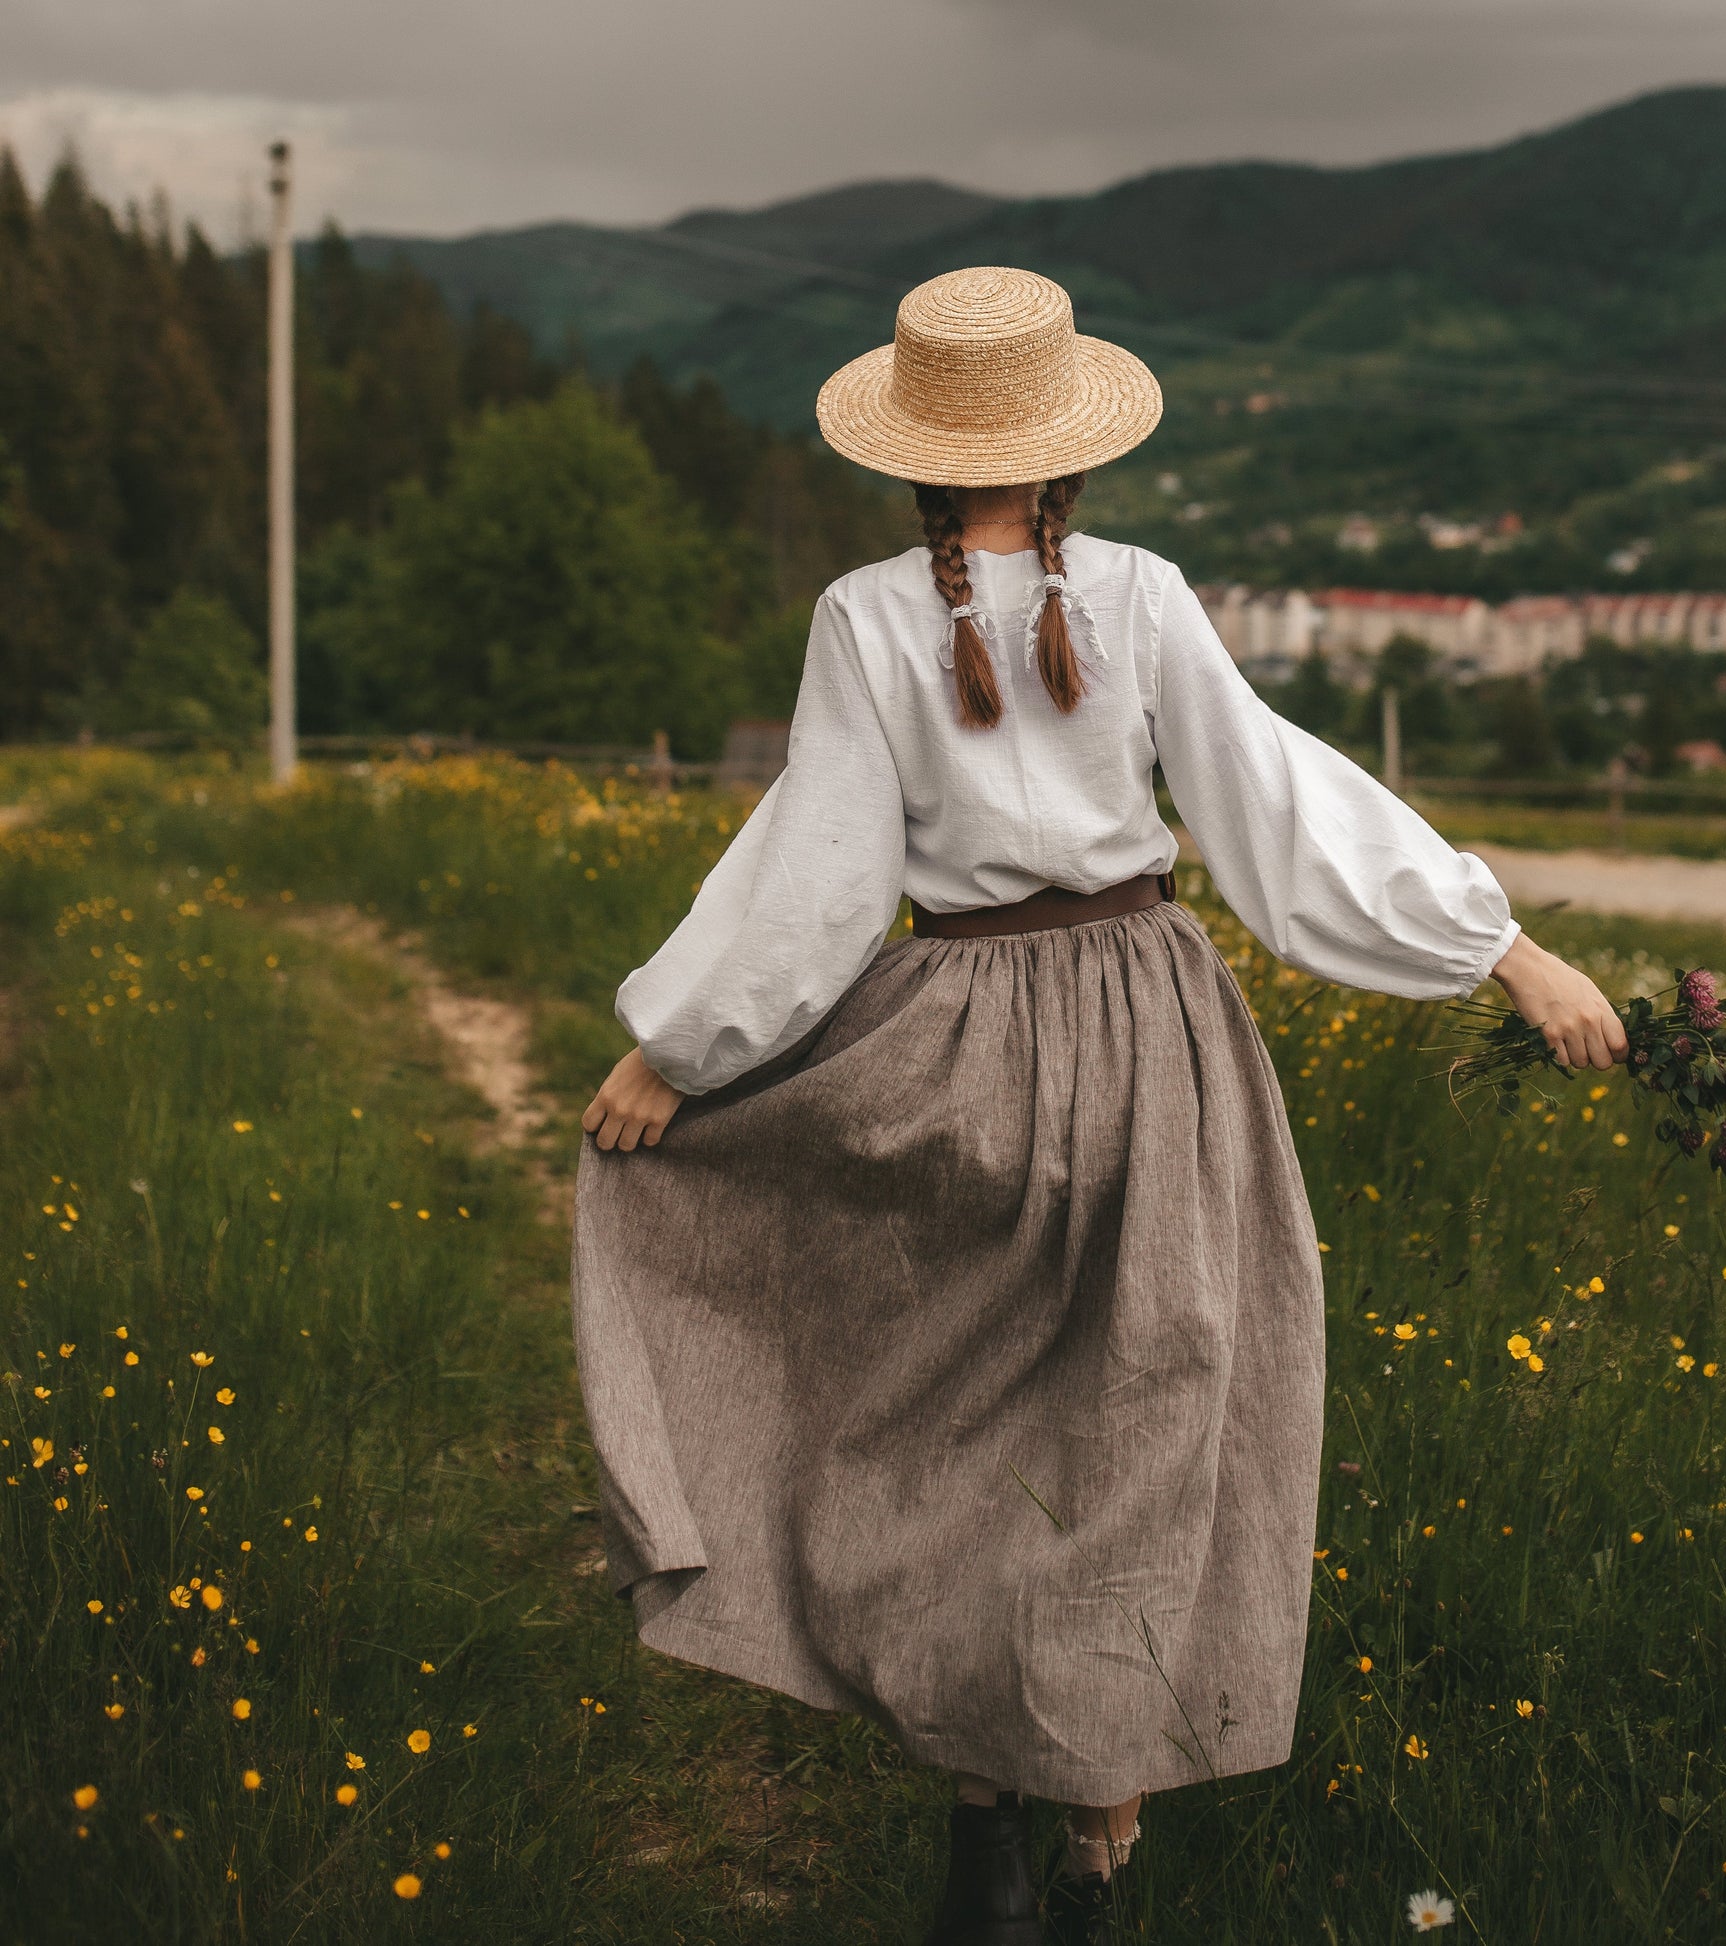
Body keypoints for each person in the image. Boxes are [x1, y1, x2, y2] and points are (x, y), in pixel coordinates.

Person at [574, 266, 1625, 1945]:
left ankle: (983, 1834)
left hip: (960, 1041)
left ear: (913, 449)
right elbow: (1274, 804)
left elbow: (821, 871)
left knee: (970, 1431)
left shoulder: (866, 611)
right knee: (1141, 1434)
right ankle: (1094, 1857)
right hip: (1154, 1039)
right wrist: (1503, 948)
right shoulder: (1138, 593)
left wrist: (679, 1049)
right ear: (1069, 449)